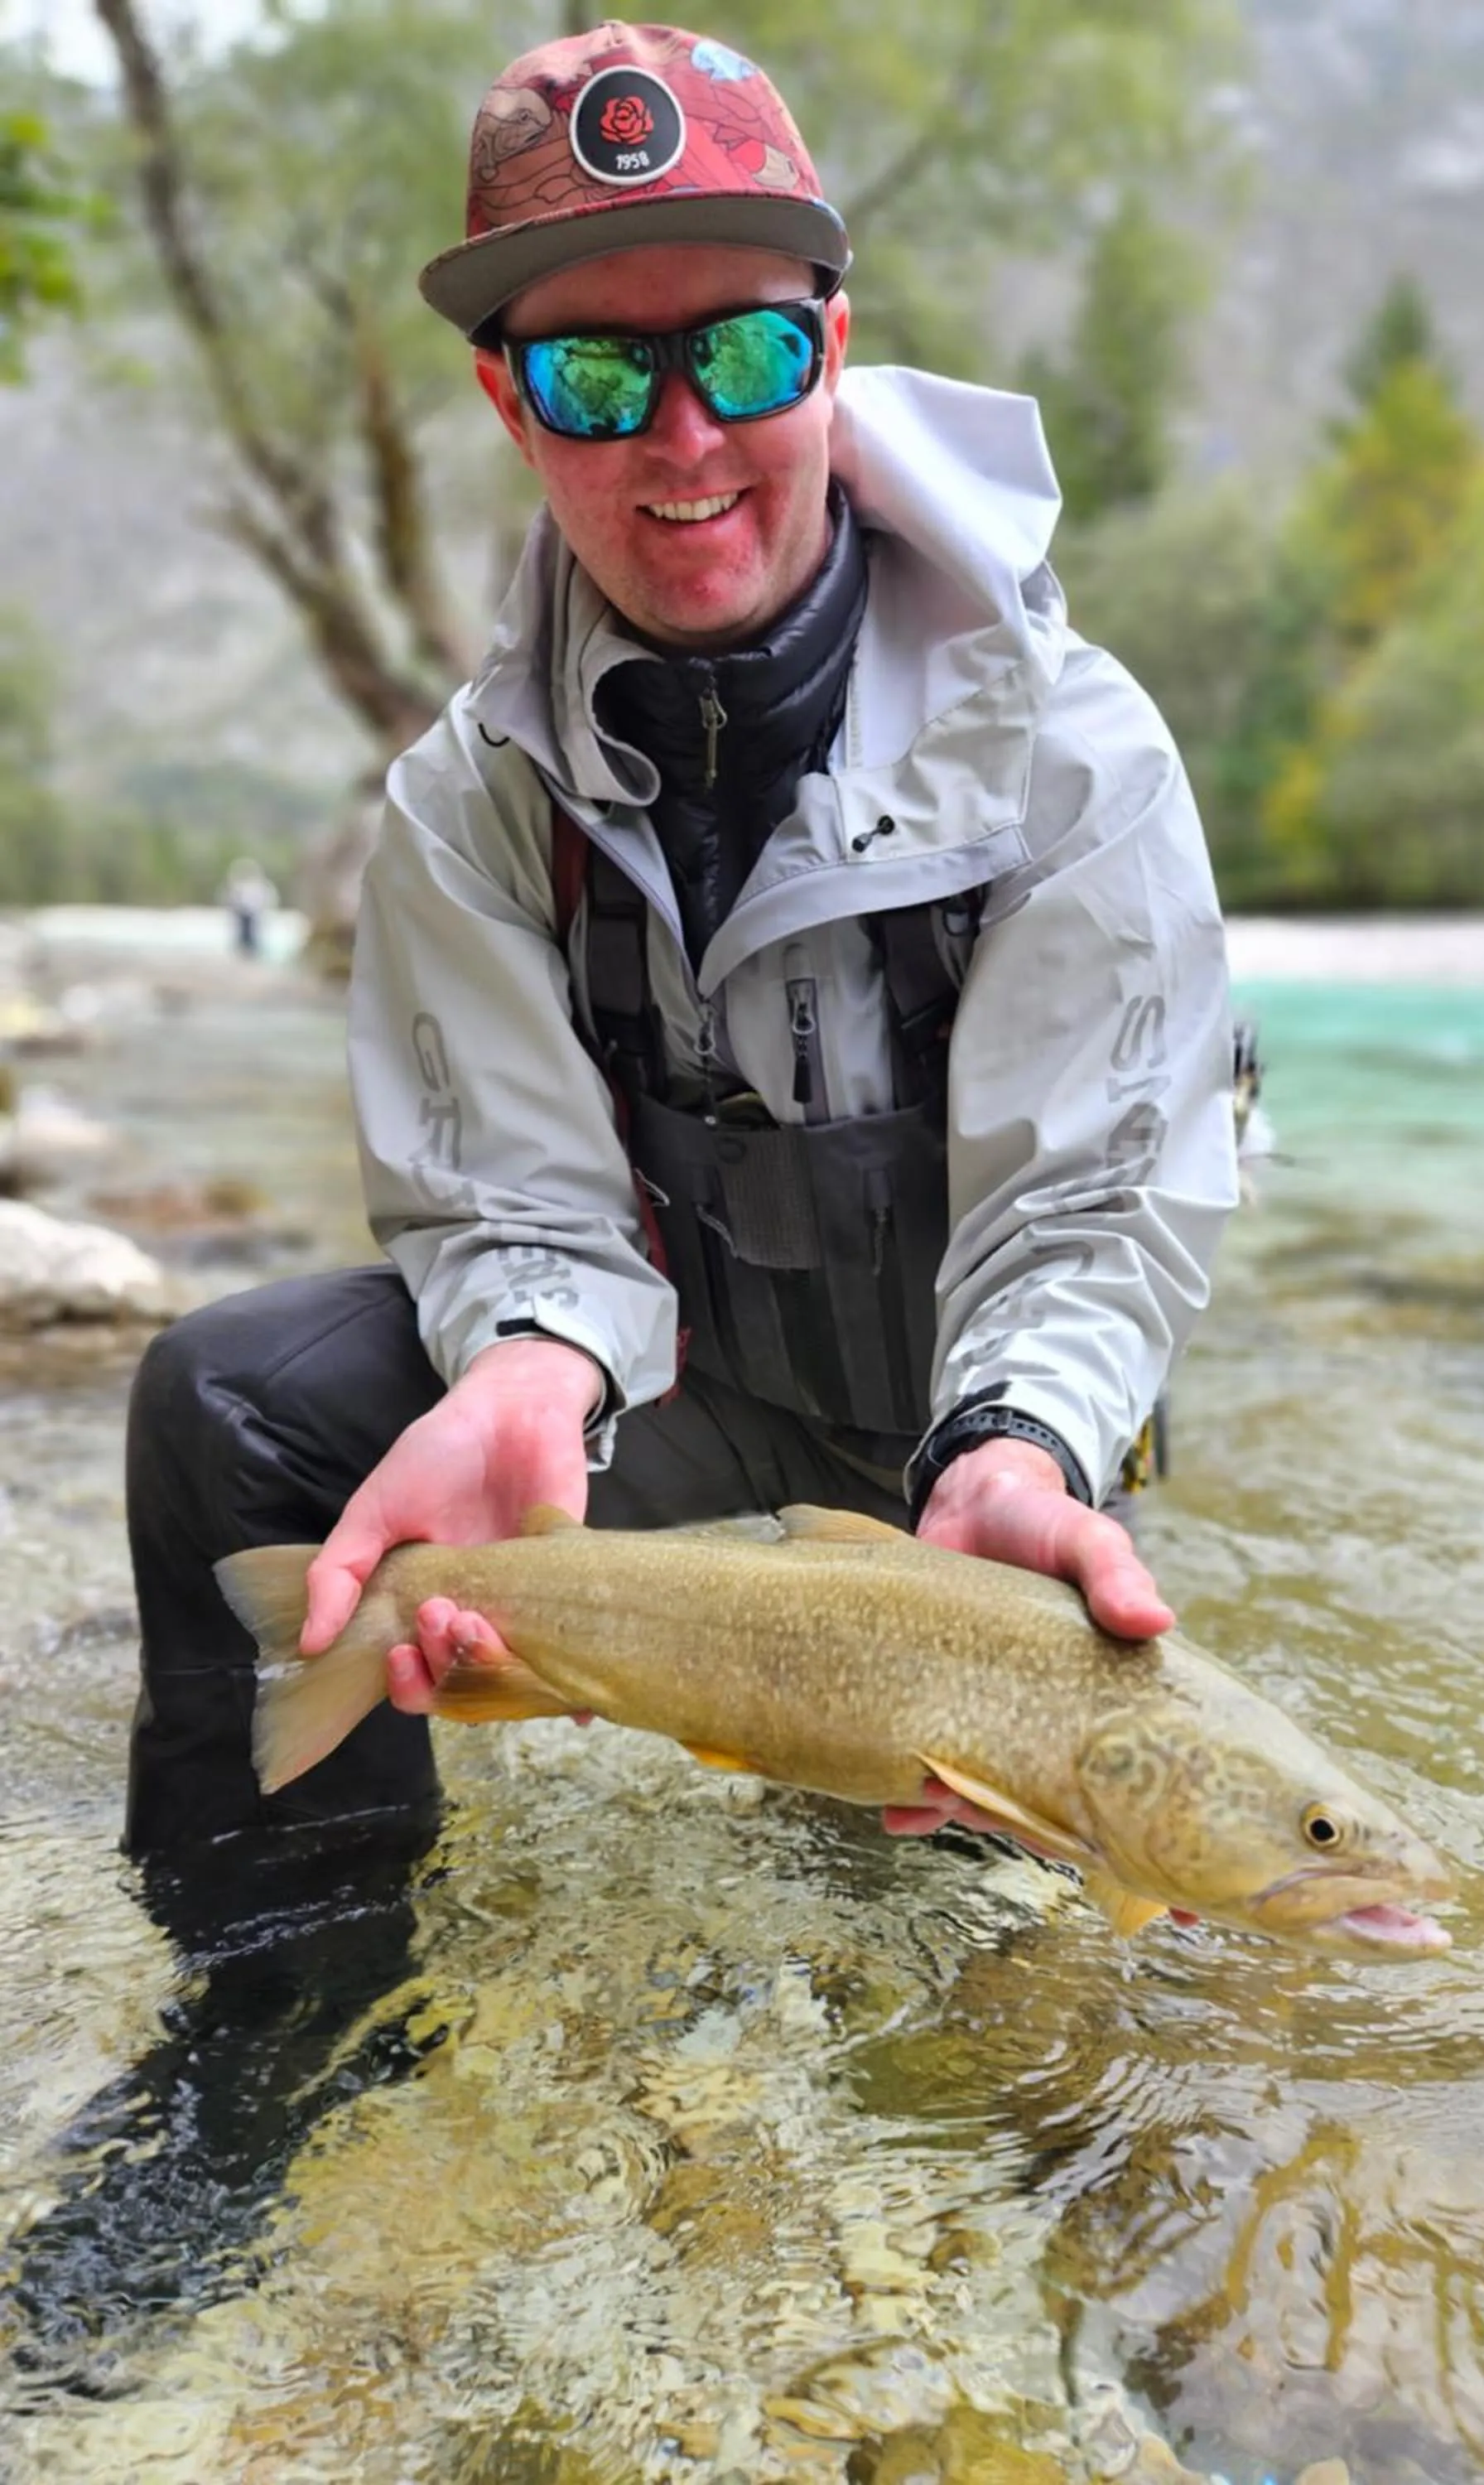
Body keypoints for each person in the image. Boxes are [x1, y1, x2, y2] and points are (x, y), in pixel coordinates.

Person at [121, 22, 1239, 1865]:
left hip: (984, 1458)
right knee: (230, 1406)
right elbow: (509, 1202)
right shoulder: (468, 801)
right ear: (509, 407)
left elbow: (1093, 1209)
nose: (684, 436)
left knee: (1009, 1944)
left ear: (830, 351)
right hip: (674, 1409)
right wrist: (530, 1365)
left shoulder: (1069, 751)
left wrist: (1019, 1447)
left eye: (741, 352)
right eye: (595, 374)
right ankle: (288, 1997)